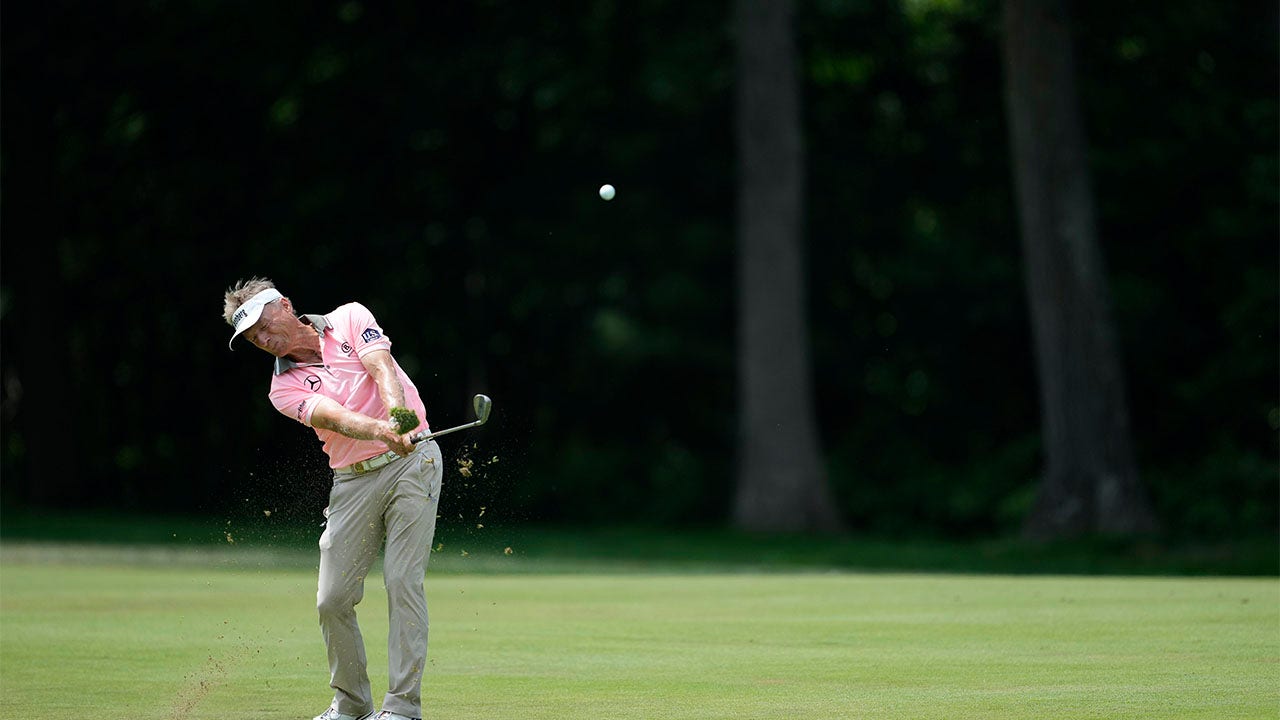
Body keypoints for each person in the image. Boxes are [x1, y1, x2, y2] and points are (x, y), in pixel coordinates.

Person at [223, 277, 442, 720]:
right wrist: (381, 430)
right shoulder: (282, 389)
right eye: (252, 338)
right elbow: (335, 417)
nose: (264, 339)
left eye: (265, 325)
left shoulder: (349, 317)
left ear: (285, 305)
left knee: (402, 581)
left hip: (412, 461)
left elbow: (381, 367)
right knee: (332, 598)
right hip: (353, 480)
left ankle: (401, 709)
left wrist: (398, 419)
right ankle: (351, 704)